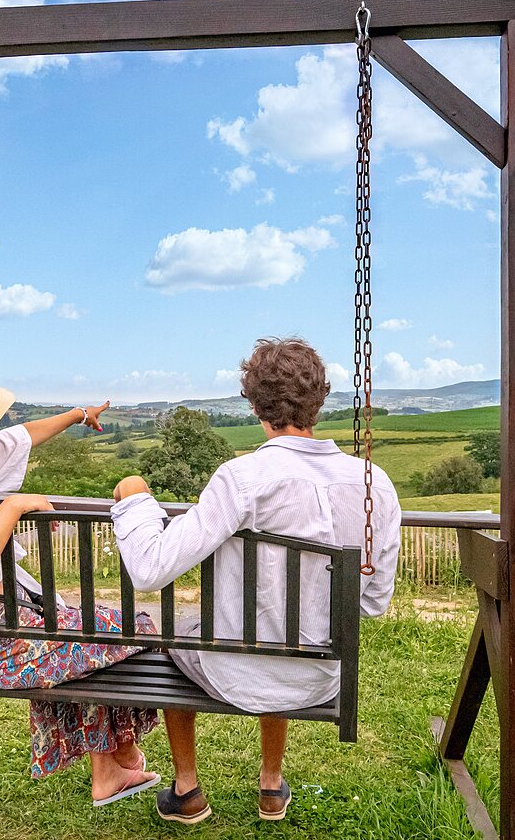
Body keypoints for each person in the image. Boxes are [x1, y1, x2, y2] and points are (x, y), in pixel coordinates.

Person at [110, 337, 400, 823]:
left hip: (240, 675)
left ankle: (186, 789)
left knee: (173, 633)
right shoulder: (375, 485)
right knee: (279, 625)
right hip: (321, 676)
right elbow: (371, 604)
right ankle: (270, 784)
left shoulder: (241, 478)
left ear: (253, 404)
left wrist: (135, 498)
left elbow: (150, 567)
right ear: (320, 399)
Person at [0, 350, 160, 806]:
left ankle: (111, 766)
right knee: (138, 628)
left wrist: (79, 414)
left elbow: (19, 438)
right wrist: (13, 509)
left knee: (85, 628)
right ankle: (119, 754)